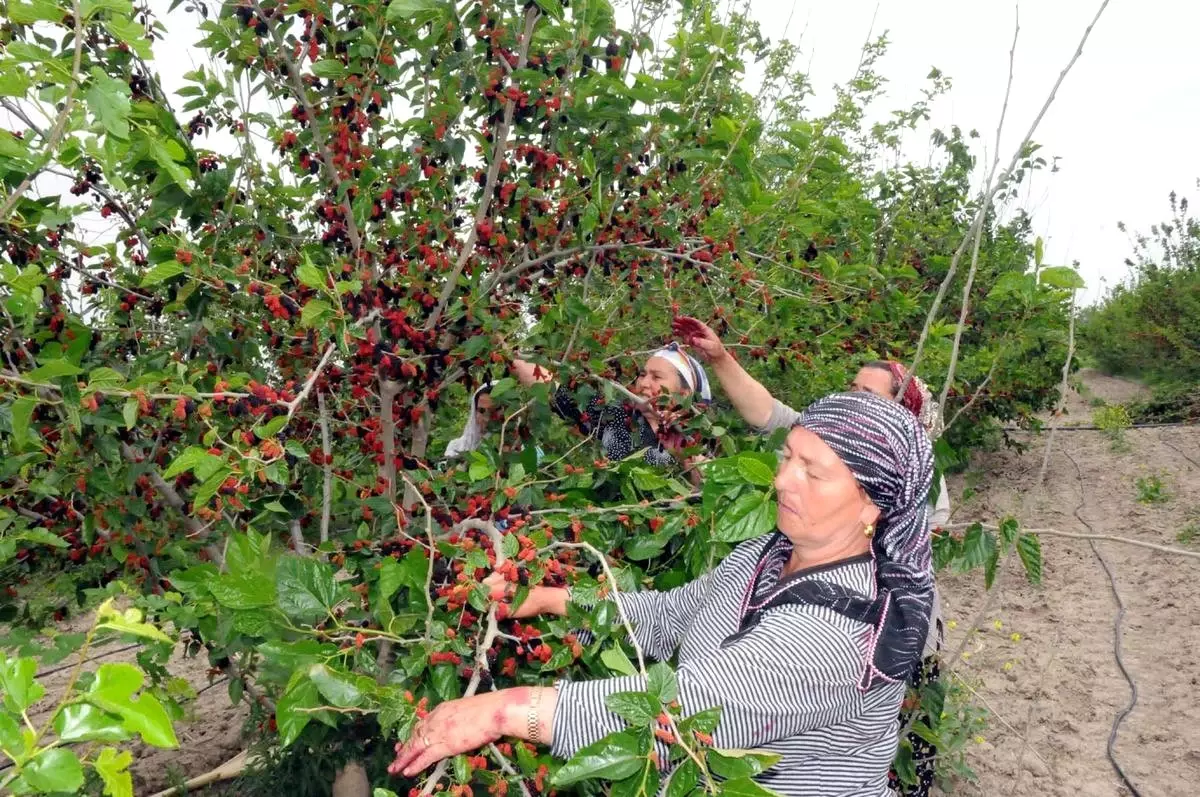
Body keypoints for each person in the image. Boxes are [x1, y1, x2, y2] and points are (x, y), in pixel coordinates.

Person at [387, 391, 935, 797]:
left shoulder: (842, 633)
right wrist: (553, 600)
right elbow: (673, 615)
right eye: (789, 456)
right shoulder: (768, 553)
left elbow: (680, 708)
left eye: (813, 473)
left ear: (872, 507)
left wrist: (500, 712)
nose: (783, 479)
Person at [676, 317, 948, 797]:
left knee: (899, 742)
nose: (857, 400)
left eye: (872, 396)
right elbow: (770, 413)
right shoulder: (825, 442)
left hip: (904, 641)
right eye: (854, 389)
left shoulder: (907, 477)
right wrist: (719, 357)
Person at [509, 342, 712, 477]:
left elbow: (707, 495)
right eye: (643, 374)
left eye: (656, 377)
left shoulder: (697, 444)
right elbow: (552, 387)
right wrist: (501, 352)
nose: (644, 383)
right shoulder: (618, 417)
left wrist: (685, 456)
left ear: (684, 394)